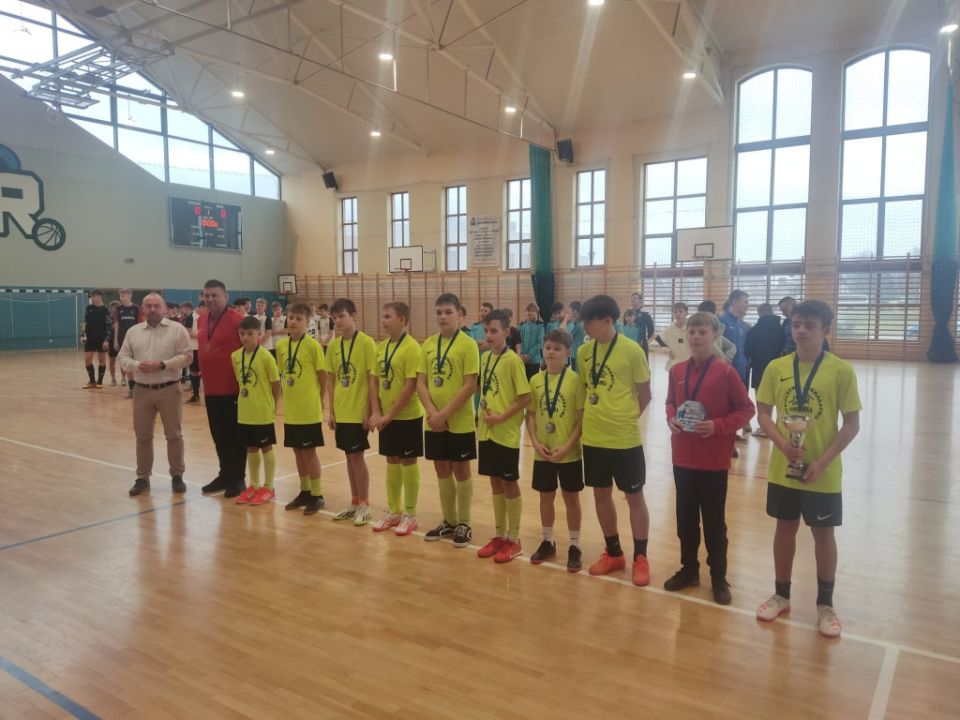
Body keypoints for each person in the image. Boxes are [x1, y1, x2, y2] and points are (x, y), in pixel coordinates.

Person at [755, 300, 861, 639]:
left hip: (822, 473)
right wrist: (782, 445)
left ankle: (825, 604)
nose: (800, 330)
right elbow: (763, 413)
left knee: (823, 534)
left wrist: (822, 462)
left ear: (825, 330)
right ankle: (781, 595)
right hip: (783, 469)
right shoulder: (776, 367)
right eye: (796, 324)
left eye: (809, 325)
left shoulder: (841, 370)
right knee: (784, 528)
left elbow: (852, 424)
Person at [664, 311, 755, 604]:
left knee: (714, 523)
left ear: (715, 335)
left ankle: (718, 577)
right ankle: (689, 570)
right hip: (682, 458)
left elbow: (747, 410)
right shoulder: (677, 371)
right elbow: (670, 403)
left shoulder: (726, 373)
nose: (696, 337)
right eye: (692, 332)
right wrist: (671, 418)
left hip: (713, 460)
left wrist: (718, 426)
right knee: (685, 520)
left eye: (702, 332)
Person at [576, 295, 653, 586]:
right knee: (600, 495)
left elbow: (645, 395)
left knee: (634, 497)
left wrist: (625, 418)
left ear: (608, 320)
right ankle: (614, 552)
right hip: (594, 437)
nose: (585, 326)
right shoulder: (584, 351)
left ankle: (641, 557)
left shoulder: (632, 351)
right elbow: (584, 389)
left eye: (590, 321)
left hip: (624, 439)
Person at [417, 292, 480, 548]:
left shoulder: (468, 344)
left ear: (460, 315)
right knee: (441, 467)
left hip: (459, 421)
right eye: (439, 312)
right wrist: (433, 413)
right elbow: (421, 383)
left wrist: (444, 414)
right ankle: (449, 521)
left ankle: (464, 522)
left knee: (461, 469)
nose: (442, 317)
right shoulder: (429, 344)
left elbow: (470, 385)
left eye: (448, 312)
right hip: (433, 421)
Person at [118, 293, 192, 496]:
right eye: (148, 306)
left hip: (169, 389)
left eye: (156, 306)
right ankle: (142, 477)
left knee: (174, 435)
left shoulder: (177, 330)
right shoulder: (133, 332)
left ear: (165, 309)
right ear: (143, 309)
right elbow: (123, 357)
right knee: (142, 436)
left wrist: (162, 365)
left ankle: (177, 475)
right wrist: (136, 365)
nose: (152, 309)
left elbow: (187, 357)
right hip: (142, 390)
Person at [525, 328, 585, 572]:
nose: (551, 353)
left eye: (557, 349)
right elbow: (530, 415)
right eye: (548, 348)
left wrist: (567, 446)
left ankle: (575, 545)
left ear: (568, 352)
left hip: (568, 452)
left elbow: (581, 420)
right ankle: (548, 541)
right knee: (545, 496)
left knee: (571, 497)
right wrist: (535, 442)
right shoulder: (535, 380)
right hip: (543, 451)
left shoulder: (575, 380)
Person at [475, 309, 531, 564]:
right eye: (486, 331)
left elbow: (524, 398)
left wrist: (500, 417)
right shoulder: (486, 357)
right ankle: (499, 535)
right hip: (487, 430)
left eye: (494, 331)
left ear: (507, 332)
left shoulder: (513, 361)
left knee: (508, 482)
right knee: (495, 482)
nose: (489, 335)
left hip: (505, 432)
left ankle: (515, 540)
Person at [368, 302, 423, 536]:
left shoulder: (412, 347)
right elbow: (374, 380)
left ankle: (410, 514)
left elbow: (411, 385)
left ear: (402, 319)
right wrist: (376, 412)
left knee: (407, 460)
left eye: (388, 316)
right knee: (391, 459)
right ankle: (393, 511)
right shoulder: (380, 347)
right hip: (385, 416)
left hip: (407, 416)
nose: (383, 320)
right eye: (382, 316)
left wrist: (390, 415)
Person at [277, 303, 332, 515]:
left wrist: (320, 399)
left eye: (298, 318)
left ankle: (317, 495)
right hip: (291, 410)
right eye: (291, 317)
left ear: (308, 322)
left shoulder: (313, 346)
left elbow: (323, 375)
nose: (293, 321)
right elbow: (284, 373)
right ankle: (305, 490)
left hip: (309, 409)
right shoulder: (282, 346)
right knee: (297, 451)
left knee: (309, 452)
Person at [327, 297, 377, 525]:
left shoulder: (366, 343)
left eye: (342, 316)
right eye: (334, 317)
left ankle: (365, 503)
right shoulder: (334, 346)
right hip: (342, 410)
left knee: (357, 456)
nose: (337, 321)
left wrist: (369, 410)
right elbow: (331, 380)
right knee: (348, 457)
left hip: (358, 411)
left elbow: (371, 379)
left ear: (354, 316)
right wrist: (332, 411)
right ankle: (355, 501)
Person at [198, 279, 246, 498]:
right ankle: (225, 474)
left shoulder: (238, 320)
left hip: (233, 390)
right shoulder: (202, 319)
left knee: (235, 437)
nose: (210, 299)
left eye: (214, 295)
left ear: (225, 297)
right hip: (210, 390)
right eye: (206, 295)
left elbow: (251, 350)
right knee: (219, 436)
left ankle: (238, 478)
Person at [232, 316, 282, 506]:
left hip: (262, 411)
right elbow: (240, 381)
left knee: (266, 447)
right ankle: (253, 486)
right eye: (242, 334)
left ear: (259, 334)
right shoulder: (235, 356)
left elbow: (276, 383)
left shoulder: (266, 356)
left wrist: (274, 405)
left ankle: (268, 487)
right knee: (250, 448)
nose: (245, 337)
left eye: (250, 334)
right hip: (245, 411)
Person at [745, 303, 786, 438]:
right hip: (779, 368)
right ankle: (780, 426)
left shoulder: (755, 330)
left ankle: (764, 427)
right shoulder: (781, 329)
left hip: (759, 367)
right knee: (779, 396)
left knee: (762, 397)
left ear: (760, 313)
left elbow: (747, 350)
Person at [719, 290, 753, 437]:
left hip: (741, 368)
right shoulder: (722, 321)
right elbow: (717, 345)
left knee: (739, 401)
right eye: (745, 301)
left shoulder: (740, 323)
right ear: (734, 302)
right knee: (726, 402)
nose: (747, 305)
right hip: (726, 370)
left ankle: (736, 429)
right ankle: (728, 434)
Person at [114, 288, 142, 395]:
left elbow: (140, 325)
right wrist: (115, 340)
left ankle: (139, 388)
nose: (121, 298)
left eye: (123, 296)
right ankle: (131, 389)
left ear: (130, 295)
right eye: (120, 296)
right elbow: (117, 325)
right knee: (127, 364)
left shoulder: (136, 308)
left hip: (135, 340)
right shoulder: (119, 309)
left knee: (136, 364)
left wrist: (139, 340)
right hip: (122, 340)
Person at [82, 289, 111, 389]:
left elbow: (108, 326)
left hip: (102, 339)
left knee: (102, 360)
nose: (92, 299)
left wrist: (107, 340)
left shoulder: (106, 310)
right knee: (87, 359)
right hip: (90, 339)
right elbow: (85, 323)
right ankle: (92, 381)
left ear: (99, 297)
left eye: (94, 296)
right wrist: (83, 335)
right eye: (91, 297)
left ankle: (100, 382)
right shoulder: (89, 308)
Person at [659, 302, 691, 370]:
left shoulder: (693, 328)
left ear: (686, 313)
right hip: (675, 364)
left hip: (691, 363)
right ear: (673, 314)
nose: (678, 314)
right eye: (675, 312)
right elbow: (658, 340)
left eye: (680, 311)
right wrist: (667, 350)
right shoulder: (669, 330)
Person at [184, 302, 204, 404]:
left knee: (204, 371)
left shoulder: (206, 316)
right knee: (194, 371)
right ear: (200, 307)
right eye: (206, 309)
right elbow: (187, 331)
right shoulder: (191, 316)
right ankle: (196, 395)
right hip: (194, 348)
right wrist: (199, 336)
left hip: (205, 348)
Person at [519, 302, 544, 380]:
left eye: (533, 311)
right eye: (529, 310)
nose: (530, 312)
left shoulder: (540, 325)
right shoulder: (521, 325)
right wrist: (522, 355)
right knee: (523, 382)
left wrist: (529, 355)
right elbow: (519, 341)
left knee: (532, 381)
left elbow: (540, 343)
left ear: (536, 313)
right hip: (522, 359)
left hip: (534, 360)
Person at [568, 301, 586, 371]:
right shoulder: (584, 322)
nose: (569, 314)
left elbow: (568, 338)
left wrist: (566, 321)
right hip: (583, 353)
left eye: (570, 312)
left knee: (576, 374)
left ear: (575, 311)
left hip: (576, 354)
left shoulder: (577, 324)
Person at [106, 300, 121, 386]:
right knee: (112, 360)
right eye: (113, 307)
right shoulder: (108, 318)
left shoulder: (122, 317)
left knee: (122, 360)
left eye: (116, 306)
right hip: (111, 341)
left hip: (121, 341)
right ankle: (113, 379)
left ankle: (124, 378)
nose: (114, 308)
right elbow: (106, 329)